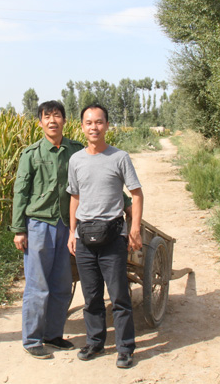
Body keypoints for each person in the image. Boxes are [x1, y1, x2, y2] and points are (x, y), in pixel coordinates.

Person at [67, 103, 144, 369]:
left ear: (107, 125)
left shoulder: (119, 157)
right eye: (89, 123)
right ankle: (95, 342)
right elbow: (75, 197)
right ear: (82, 127)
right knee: (91, 296)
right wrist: (72, 232)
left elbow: (136, 194)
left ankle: (125, 348)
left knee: (119, 295)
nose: (94, 127)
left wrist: (134, 228)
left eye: (99, 122)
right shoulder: (76, 160)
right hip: (85, 237)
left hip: (113, 236)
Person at [11, 100, 83, 359]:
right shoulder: (31, 154)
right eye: (47, 116)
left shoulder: (76, 151)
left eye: (57, 115)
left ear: (65, 119)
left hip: (66, 225)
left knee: (62, 284)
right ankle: (32, 340)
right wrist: (19, 229)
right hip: (39, 225)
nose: (53, 120)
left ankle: (53, 335)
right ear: (40, 122)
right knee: (37, 285)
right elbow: (21, 192)